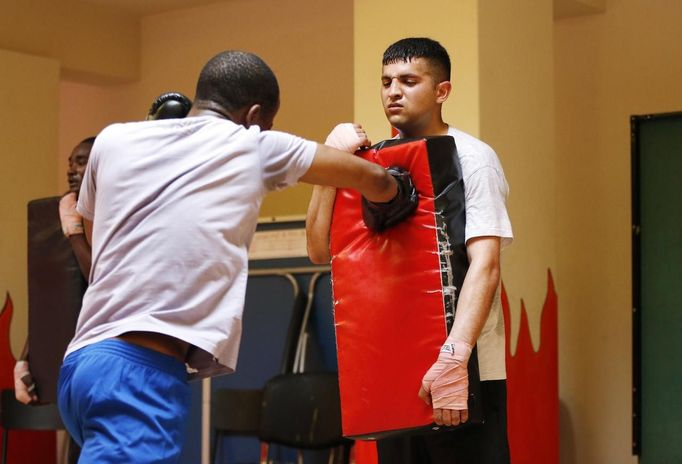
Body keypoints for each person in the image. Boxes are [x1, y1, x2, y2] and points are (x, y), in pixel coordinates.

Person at [56, 50, 415, 464]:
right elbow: (371, 178)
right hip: (139, 372)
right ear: (255, 115)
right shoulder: (251, 145)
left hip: (82, 365)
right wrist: (397, 197)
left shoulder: (113, 139)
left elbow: (99, 234)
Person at [306, 37, 514, 463]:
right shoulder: (371, 164)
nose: (393, 91)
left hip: (464, 368)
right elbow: (317, 250)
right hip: (397, 365)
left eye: (408, 80)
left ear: (442, 91)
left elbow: (486, 265)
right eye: (385, 82)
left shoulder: (474, 158)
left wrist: (455, 357)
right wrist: (331, 163)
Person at [13, 136, 95, 463]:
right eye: (70, 162)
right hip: (73, 364)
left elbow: (101, 282)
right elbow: (53, 298)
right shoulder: (61, 212)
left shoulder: (115, 216)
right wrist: (26, 361)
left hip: (108, 360)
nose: (72, 170)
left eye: (82, 161)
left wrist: (75, 231)